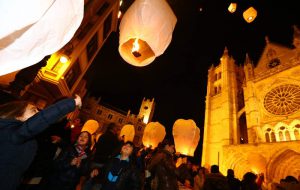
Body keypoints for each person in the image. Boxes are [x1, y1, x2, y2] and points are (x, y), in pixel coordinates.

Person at [0, 95, 81, 190]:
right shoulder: (12, 133)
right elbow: (42, 118)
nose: (38, 113)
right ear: (18, 116)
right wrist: (72, 103)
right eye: (34, 110)